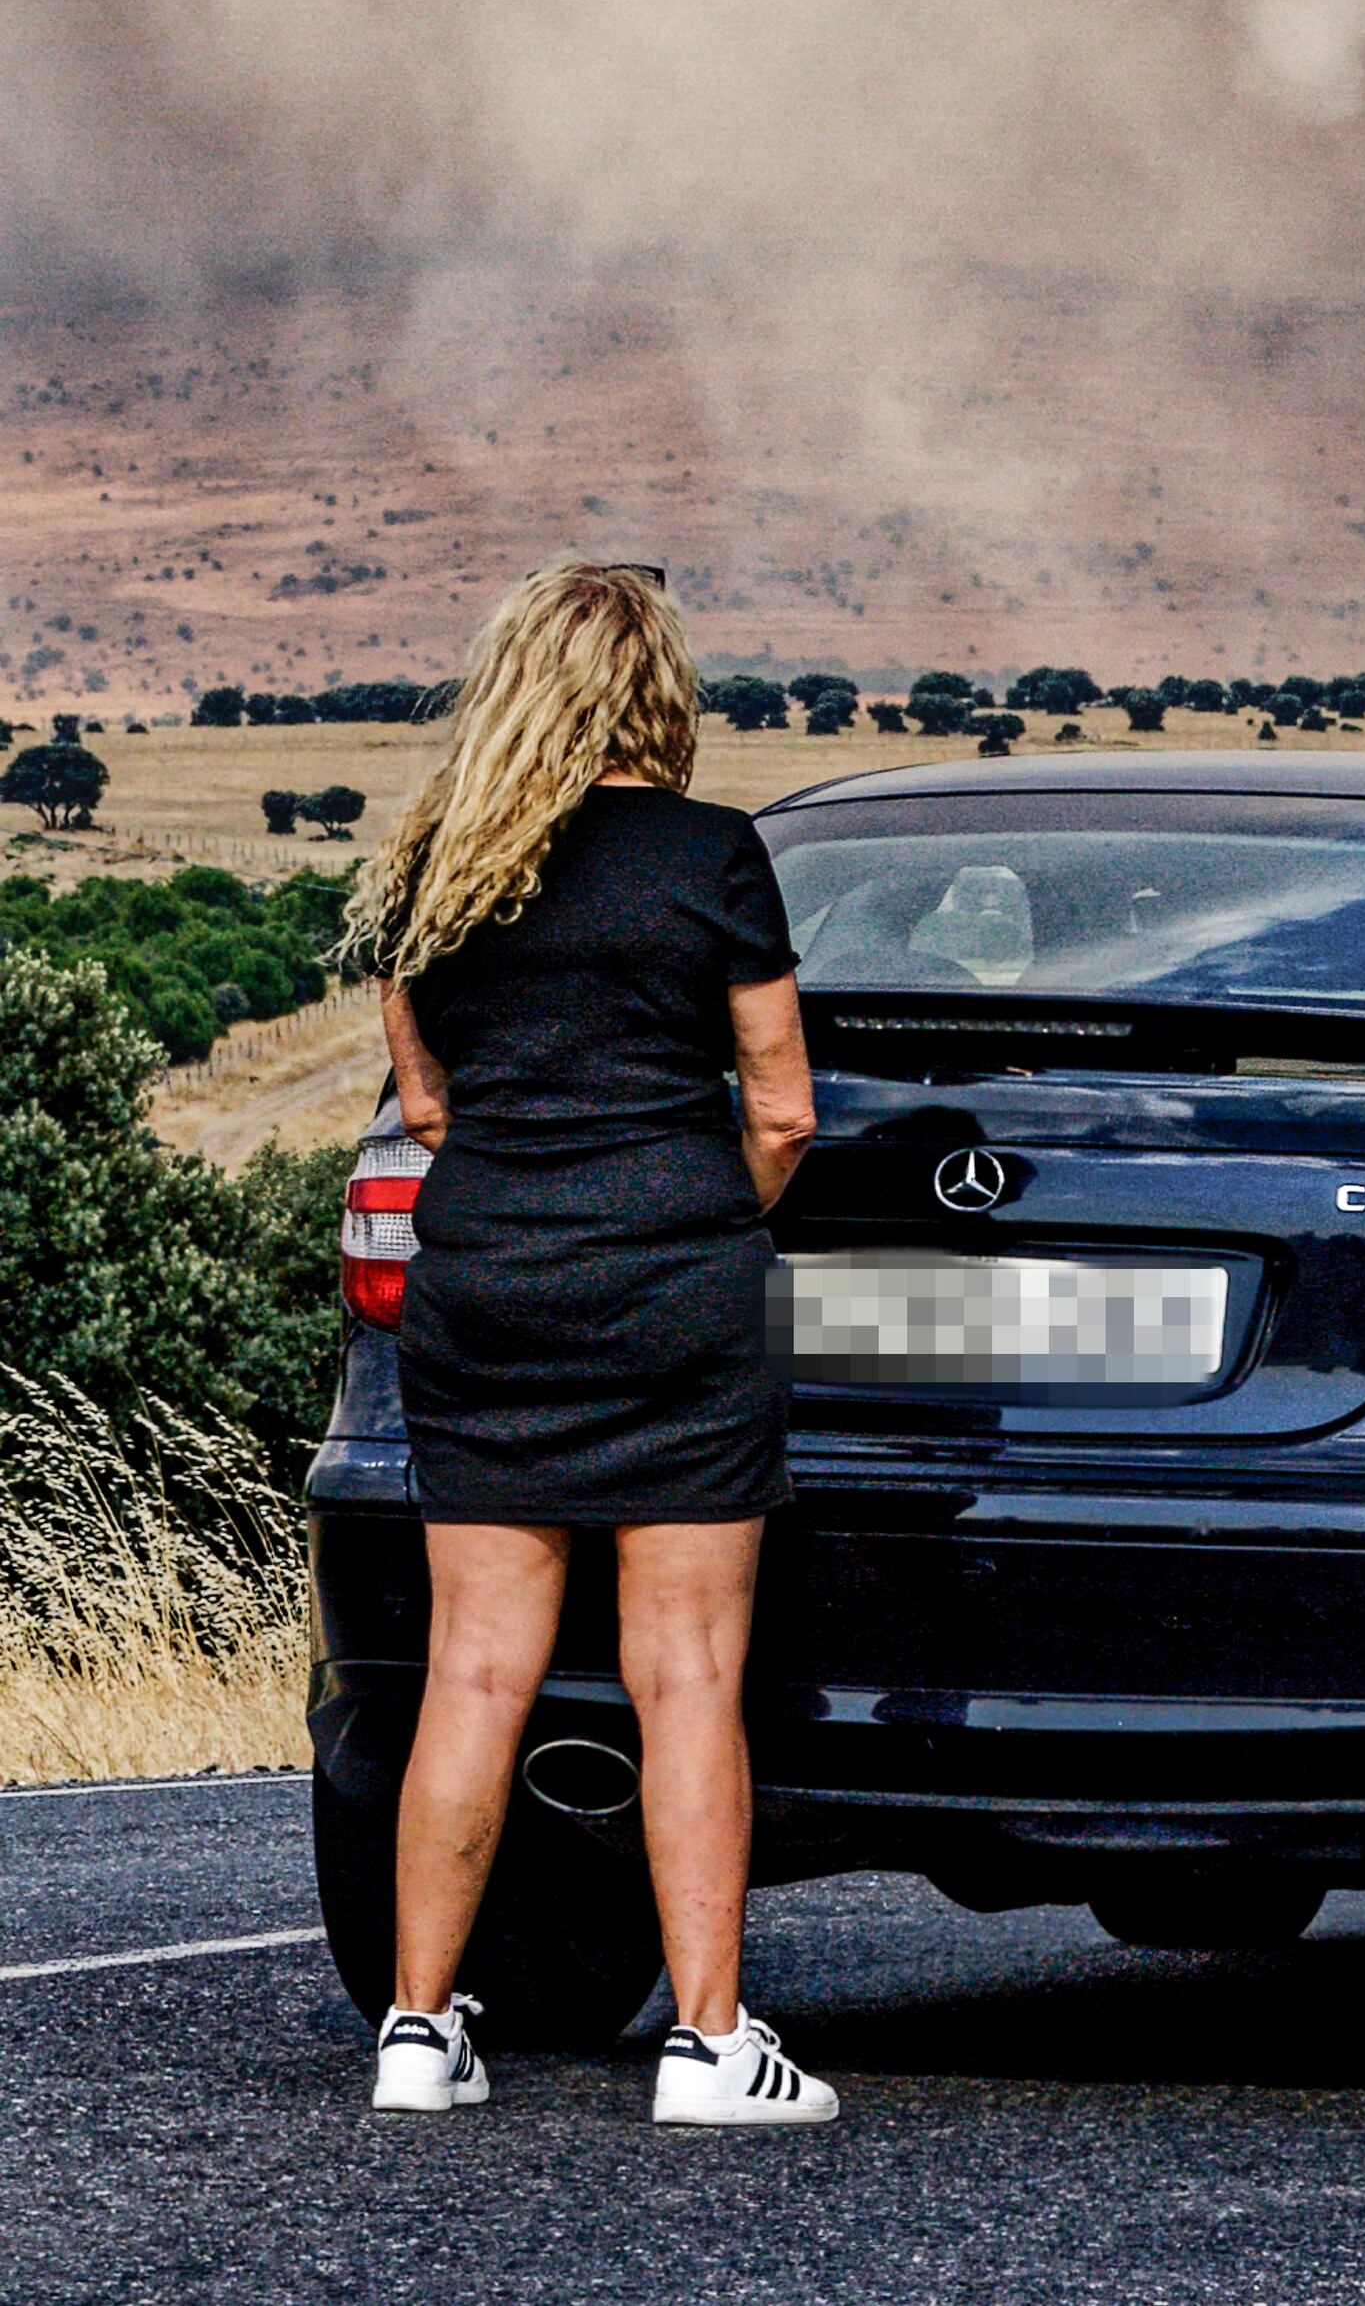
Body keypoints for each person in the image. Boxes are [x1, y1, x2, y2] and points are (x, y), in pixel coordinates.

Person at [354, 559, 831, 2126]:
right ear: (660, 688)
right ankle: (709, 2044)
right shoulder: (714, 856)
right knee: (686, 1674)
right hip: (680, 1292)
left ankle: (418, 2032)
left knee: (473, 1669)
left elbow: (427, 1106)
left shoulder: (440, 863)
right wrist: (700, 1216)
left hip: (485, 1287)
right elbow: (783, 1109)